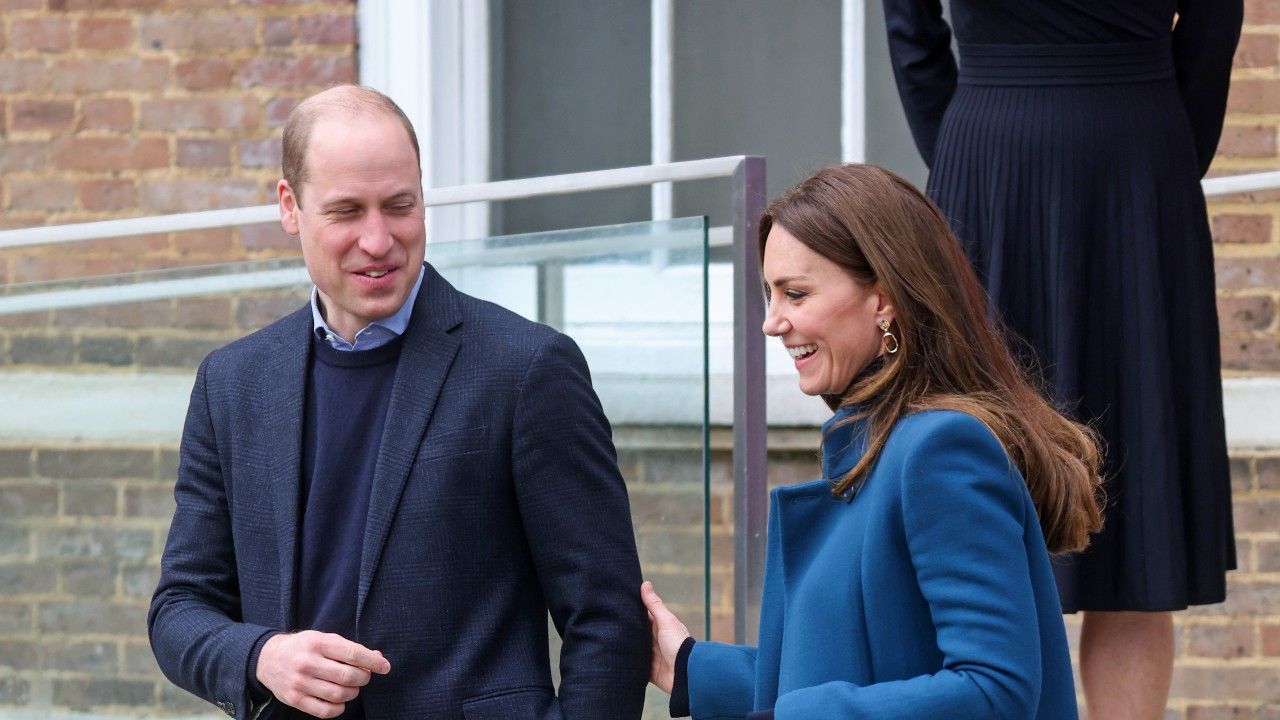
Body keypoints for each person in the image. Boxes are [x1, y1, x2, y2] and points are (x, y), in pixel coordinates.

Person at [148, 85, 649, 720]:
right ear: (290, 206)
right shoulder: (232, 383)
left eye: (399, 206)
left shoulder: (527, 368)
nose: (379, 240)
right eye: (347, 211)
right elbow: (180, 608)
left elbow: (606, 617)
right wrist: (260, 657)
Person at [880, 1, 1241, 716]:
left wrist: (963, 149)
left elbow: (910, 31)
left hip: (991, 155)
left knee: (978, 472)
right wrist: (1162, 153)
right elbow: (1213, 24)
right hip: (1137, 153)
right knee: (1137, 529)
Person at [642, 164, 1104, 719]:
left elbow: (994, 691)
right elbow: (861, 672)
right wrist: (689, 668)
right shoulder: (883, 451)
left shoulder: (941, 451)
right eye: (770, 293)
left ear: (883, 300)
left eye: (795, 294)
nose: (771, 322)